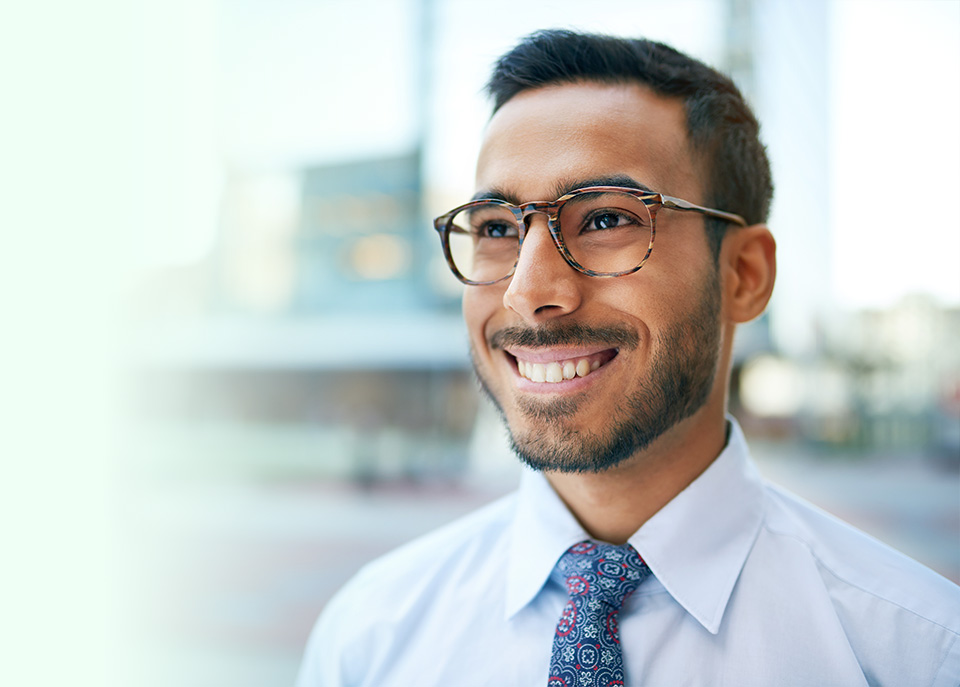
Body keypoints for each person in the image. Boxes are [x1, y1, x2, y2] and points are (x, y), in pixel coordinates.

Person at [296, 30, 960, 686]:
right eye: (497, 228)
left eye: (607, 218)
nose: (529, 292)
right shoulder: (370, 638)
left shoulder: (916, 652)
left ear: (745, 275)